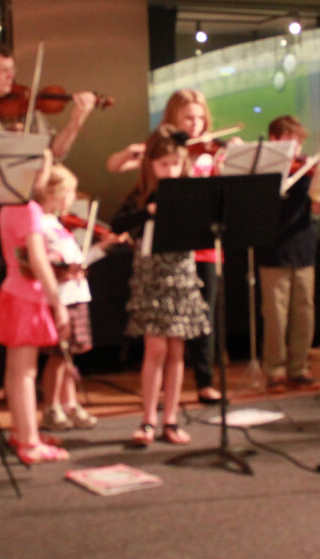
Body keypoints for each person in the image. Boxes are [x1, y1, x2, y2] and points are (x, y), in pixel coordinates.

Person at [0, 38, 97, 401]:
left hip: (25, 211)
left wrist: (76, 120)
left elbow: (53, 155)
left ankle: (24, 383)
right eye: (3, 71)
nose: (12, 78)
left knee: (27, 292)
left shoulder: (28, 112)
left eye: (13, 71)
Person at [107, 89, 228, 404]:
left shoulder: (206, 152)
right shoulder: (164, 150)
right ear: (174, 117)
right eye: (189, 117)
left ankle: (204, 380)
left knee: (203, 316)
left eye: (201, 117)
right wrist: (136, 152)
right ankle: (156, 404)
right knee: (164, 340)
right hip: (162, 255)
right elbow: (115, 166)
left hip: (200, 244)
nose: (197, 124)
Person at [111, 126, 211, 447]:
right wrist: (147, 212)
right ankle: (147, 420)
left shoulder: (188, 192)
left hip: (181, 272)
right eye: (163, 163)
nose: (170, 170)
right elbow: (116, 223)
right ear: (151, 164)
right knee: (155, 348)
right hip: (151, 273)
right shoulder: (142, 193)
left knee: (176, 350)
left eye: (175, 164)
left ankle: (171, 418)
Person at [0, 155, 71, 464]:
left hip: (13, 292)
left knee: (16, 371)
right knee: (25, 373)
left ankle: (23, 432)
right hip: (27, 297)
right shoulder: (28, 208)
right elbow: (36, 260)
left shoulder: (8, 207)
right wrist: (57, 303)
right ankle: (30, 442)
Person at [35, 165, 127, 430]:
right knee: (58, 356)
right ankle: (51, 408)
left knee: (68, 357)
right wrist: (62, 267)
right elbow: (47, 263)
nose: (74, 198)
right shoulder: (41, 225)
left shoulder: (57, 224)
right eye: (71, 192)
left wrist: (101, 247)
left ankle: (70, 404)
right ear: (54, 192)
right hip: (60, 299)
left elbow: (77, 261)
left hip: (75, 295)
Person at [258, 115, 320, 393]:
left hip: (303, 246)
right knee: (275, 314)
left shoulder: (307, 170)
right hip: (272, 249)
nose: (296, 146)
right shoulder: (263, 169)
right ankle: (274, 370)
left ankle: (299, 368)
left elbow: (316, 211)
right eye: (290, 140)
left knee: (304, 311)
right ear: (274, 139)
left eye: (299, 141)